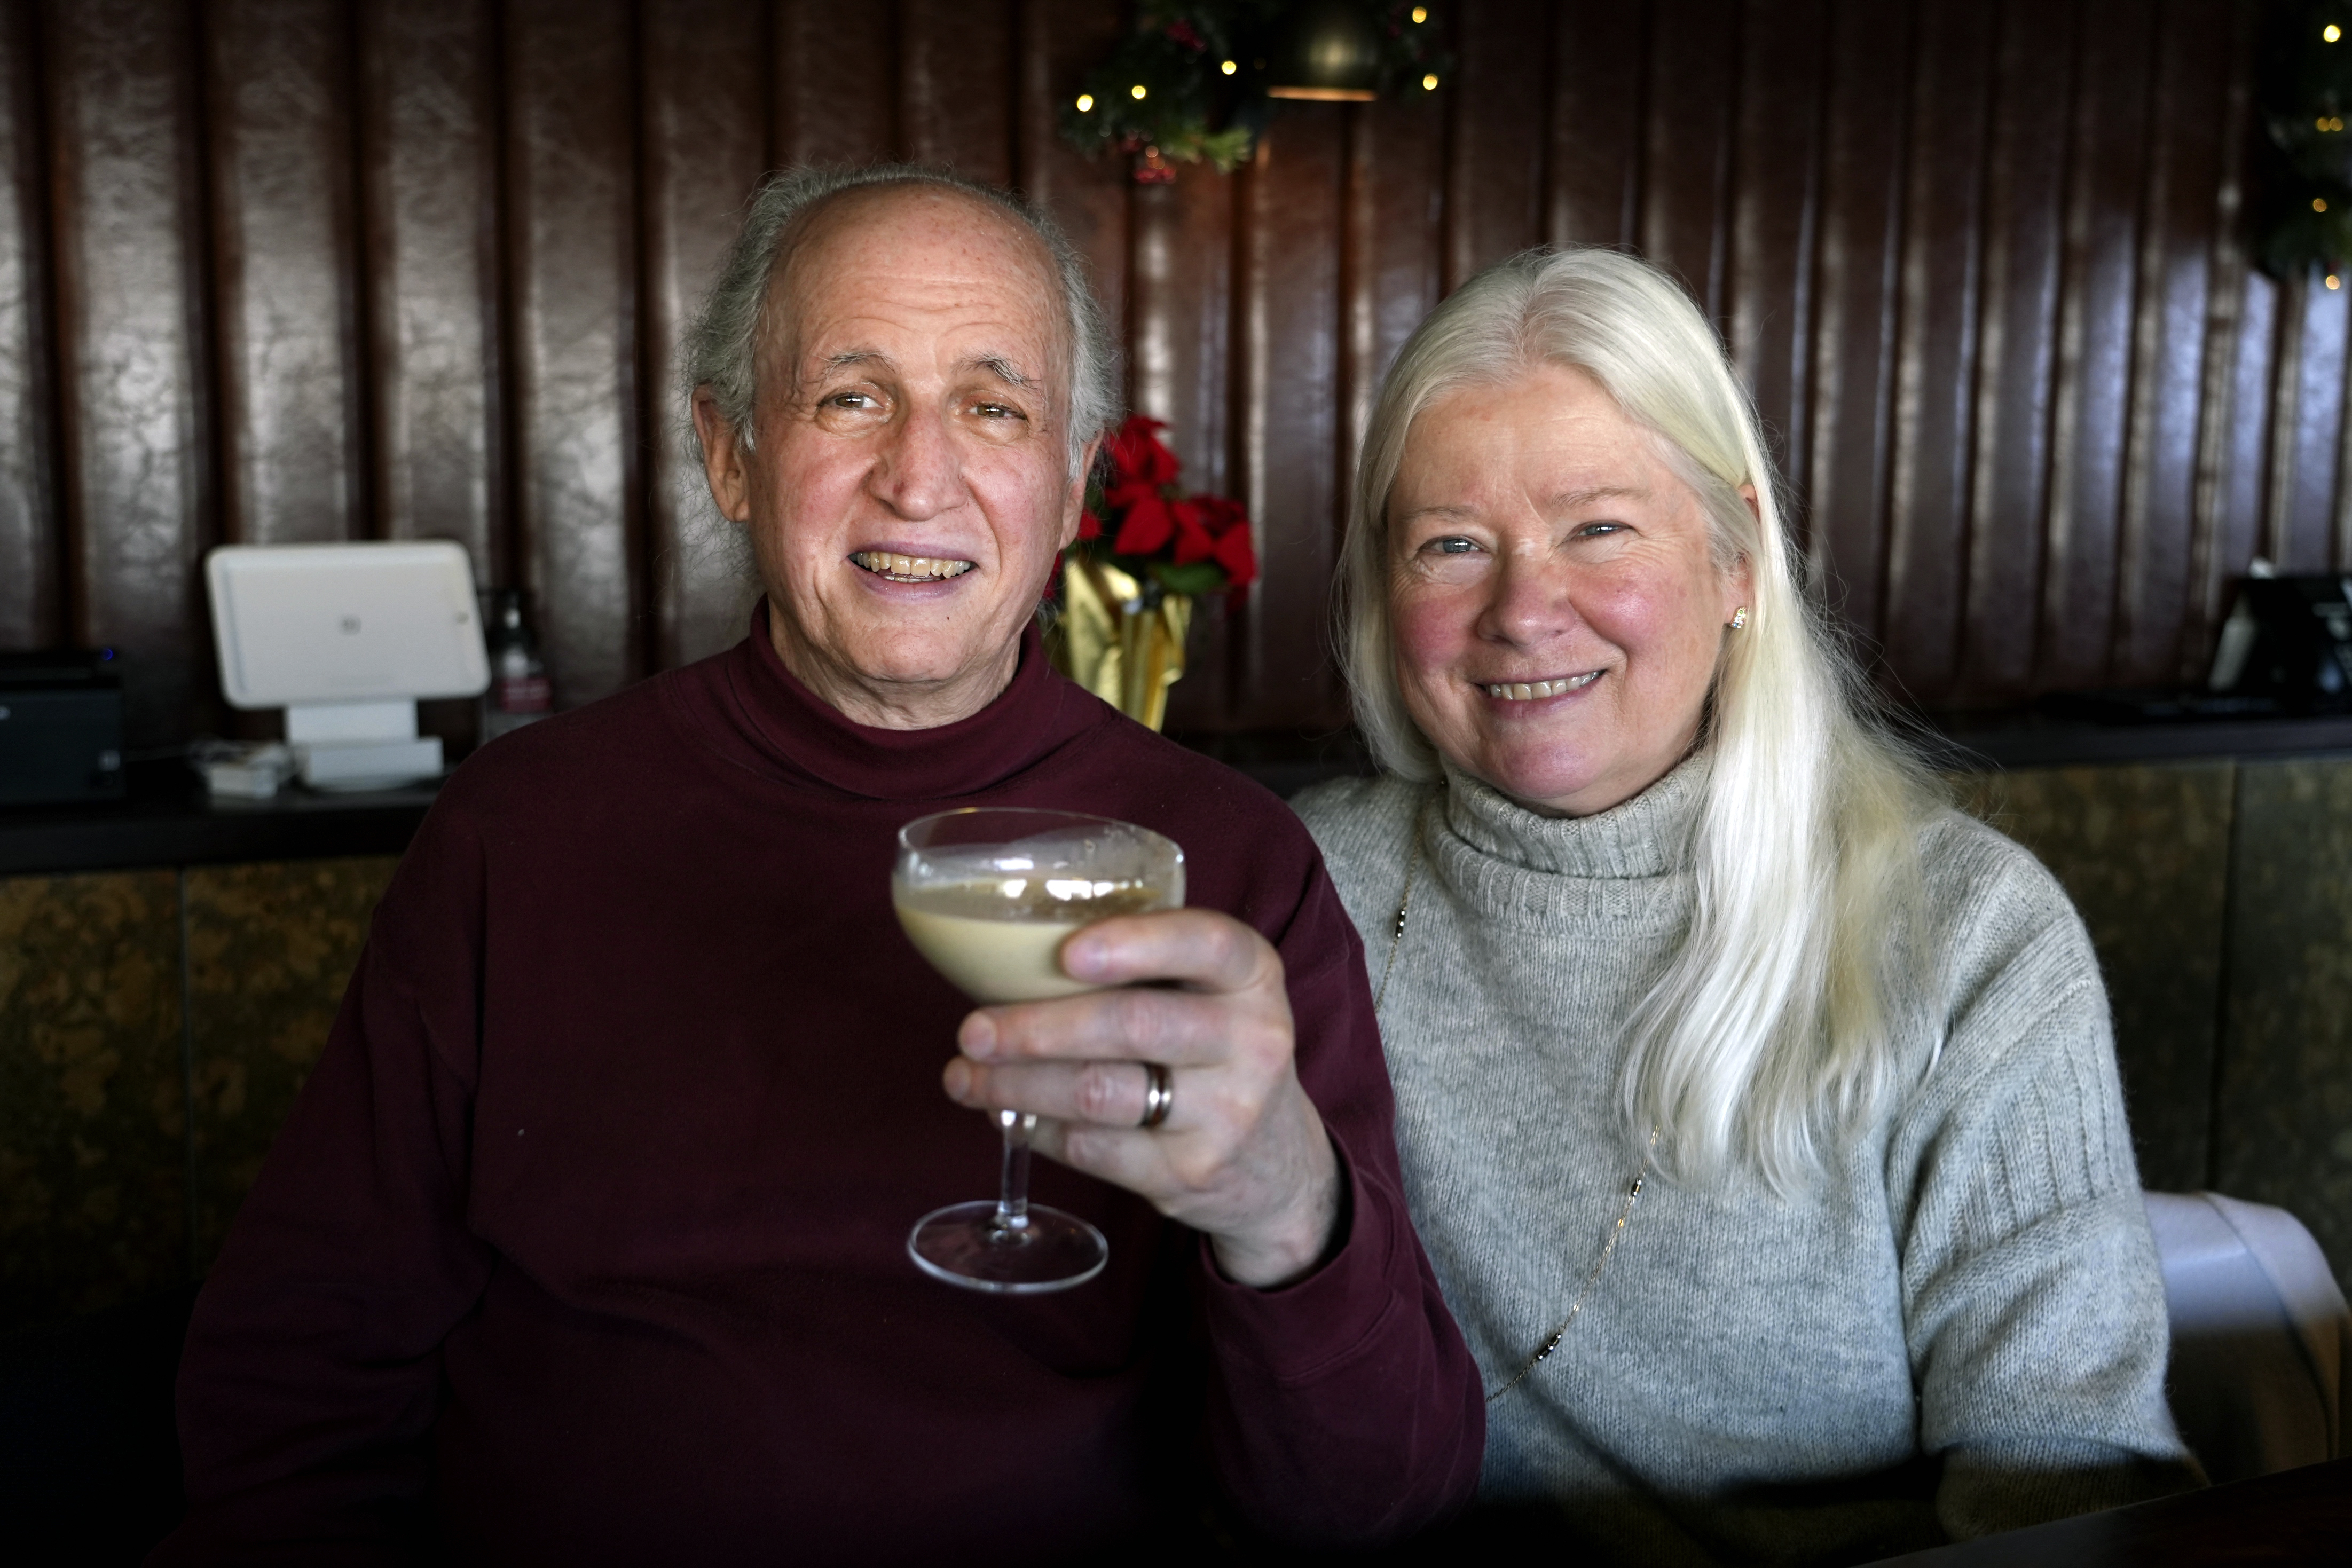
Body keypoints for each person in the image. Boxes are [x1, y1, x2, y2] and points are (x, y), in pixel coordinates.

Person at [154, 167, 1481, 1564]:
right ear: (727, 455)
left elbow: (1375, 1501)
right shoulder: (517, 829)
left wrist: (1284, 1205)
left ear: (1069, 485)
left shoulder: (1219, 866)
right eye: (849, 397)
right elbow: (301, 1371)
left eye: (994, 407)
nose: (919, 476)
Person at [1291, 247, 2201, 1565]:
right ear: (1388, 596)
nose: (1523, 609)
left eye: (1597, 526)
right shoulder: (1310, 886)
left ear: (1736, 563)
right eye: (1450, 544)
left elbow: (2063, 1483)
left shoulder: (1965, 935)